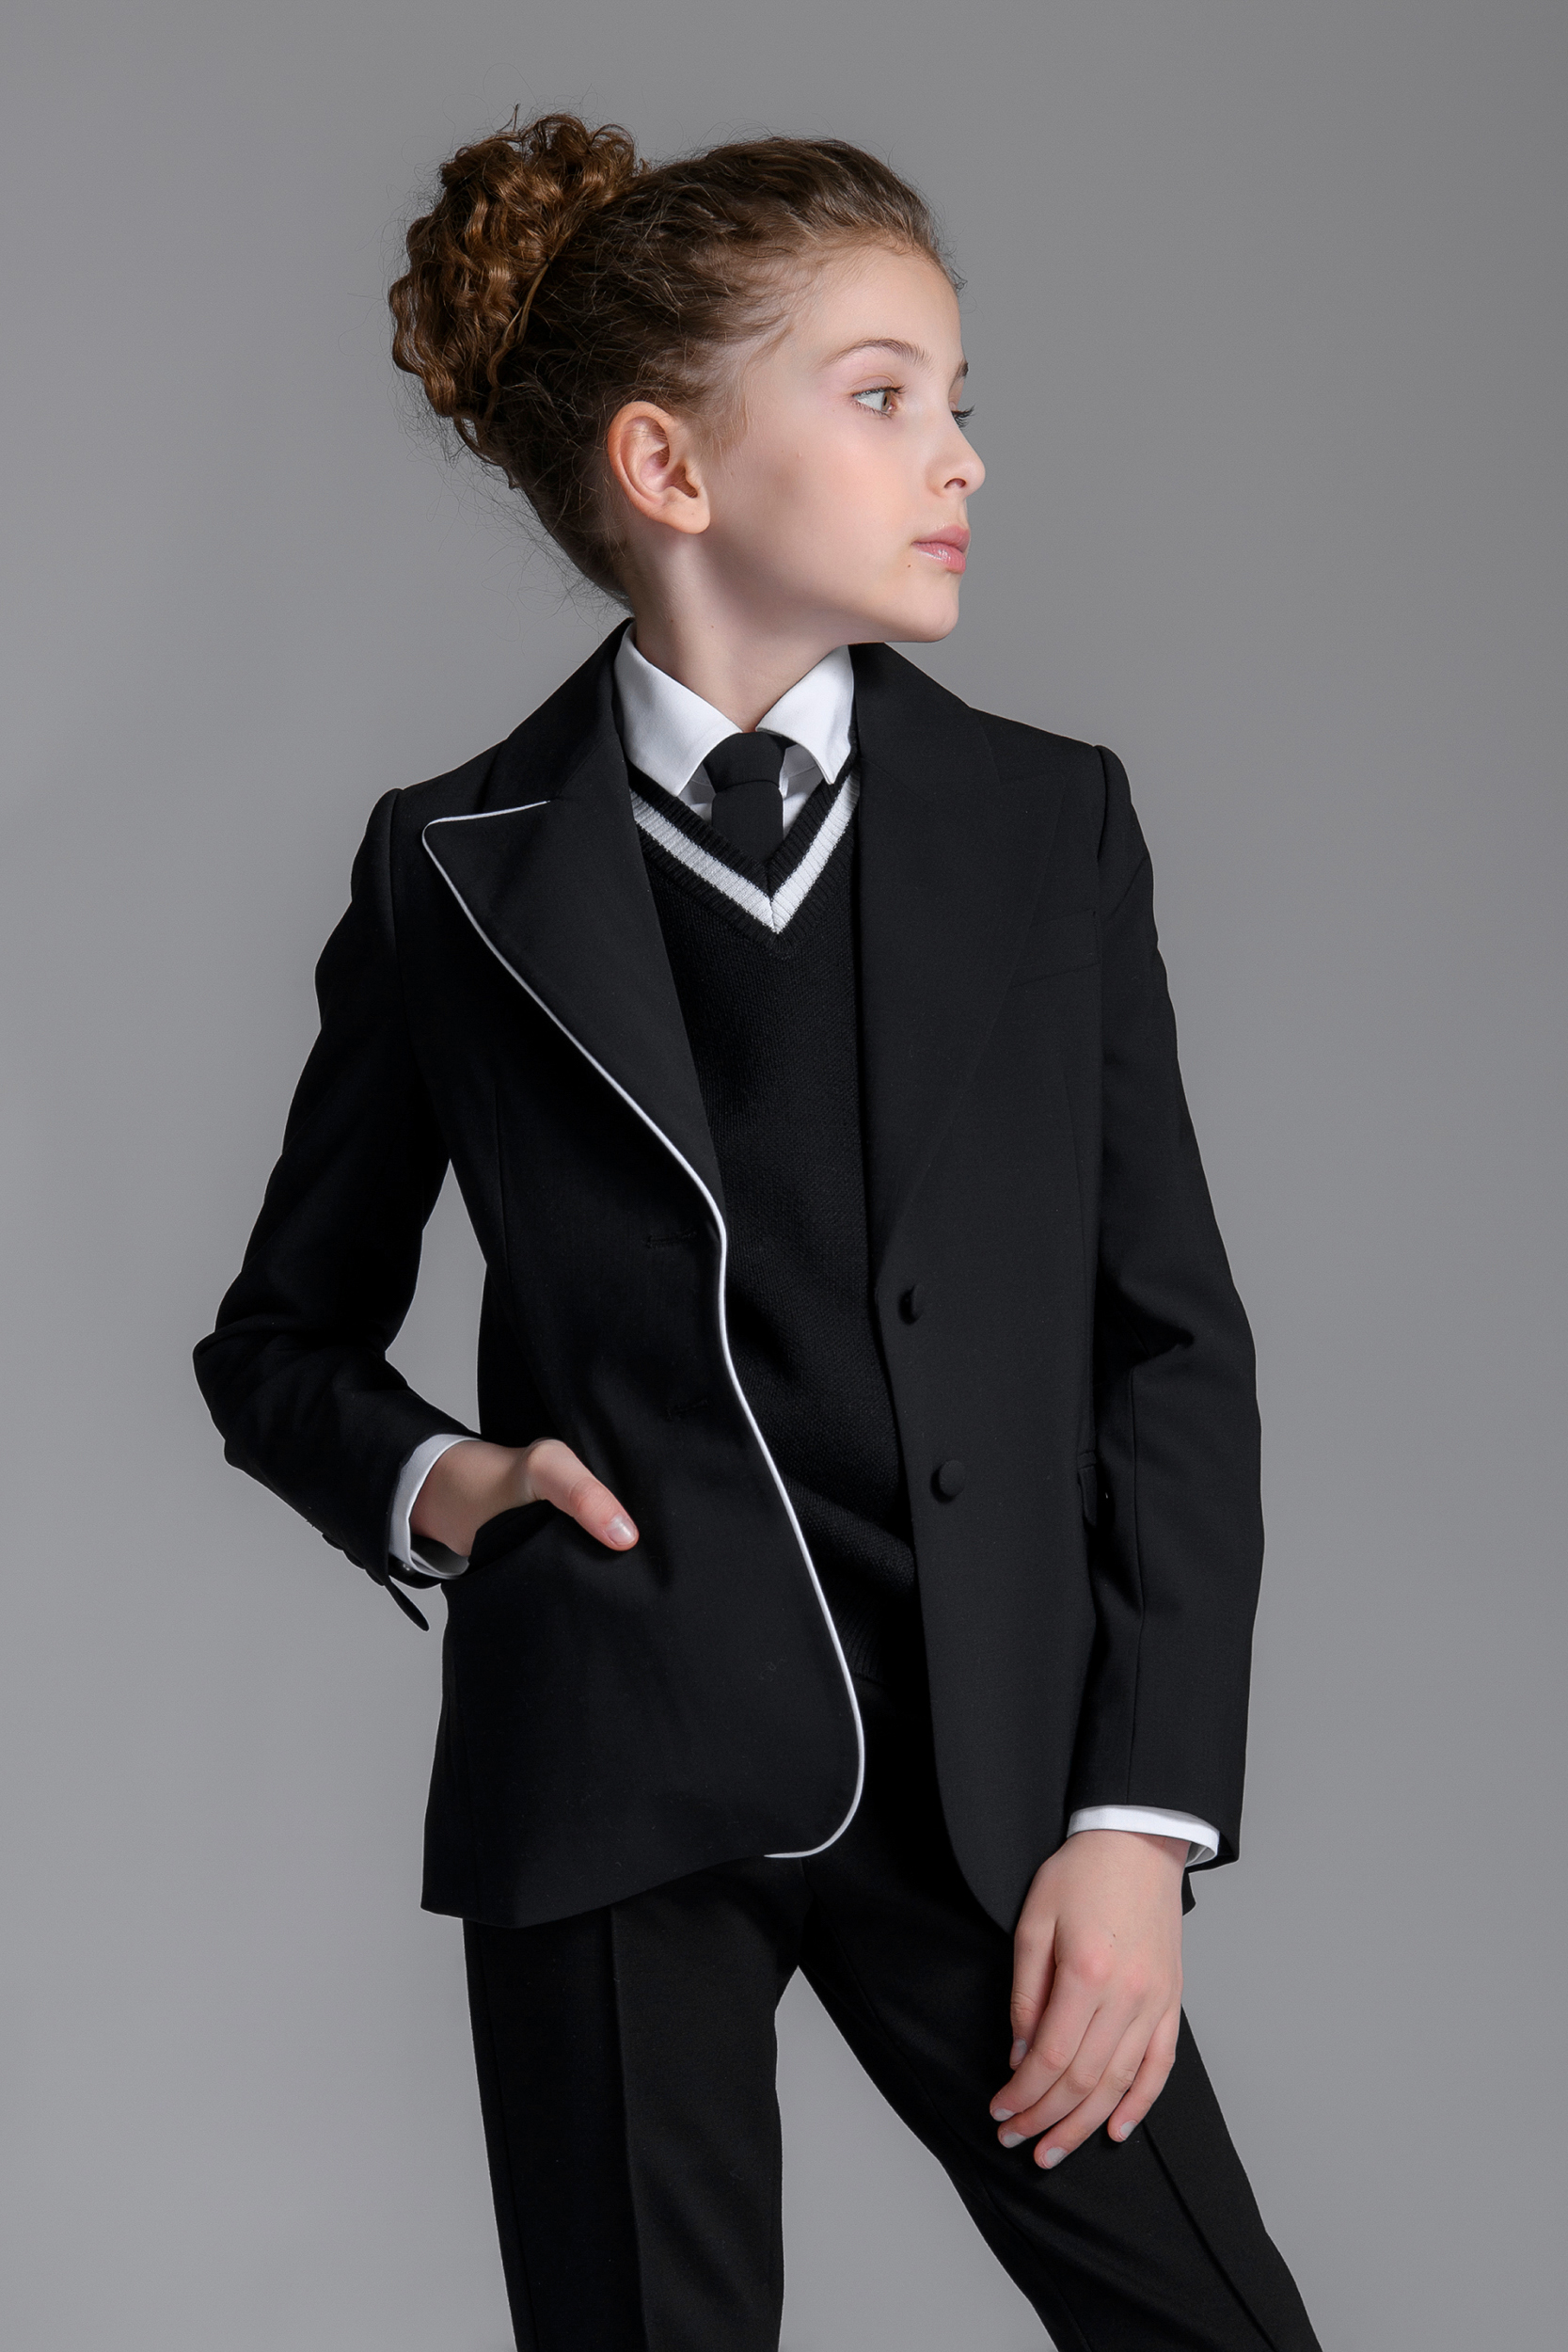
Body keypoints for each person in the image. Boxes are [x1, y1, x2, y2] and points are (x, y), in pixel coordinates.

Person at [195, 111, 1321, 2352]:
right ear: (670, 465)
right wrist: (453, 1483)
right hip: (615, 1772)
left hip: (995, 1788)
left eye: (960, 400)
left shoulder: (1051, 828)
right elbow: (274, 1338)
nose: (962, 456)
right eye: (886, 395)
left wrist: (1138, 1819)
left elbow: (1169, 1347)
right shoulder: (452, 869)